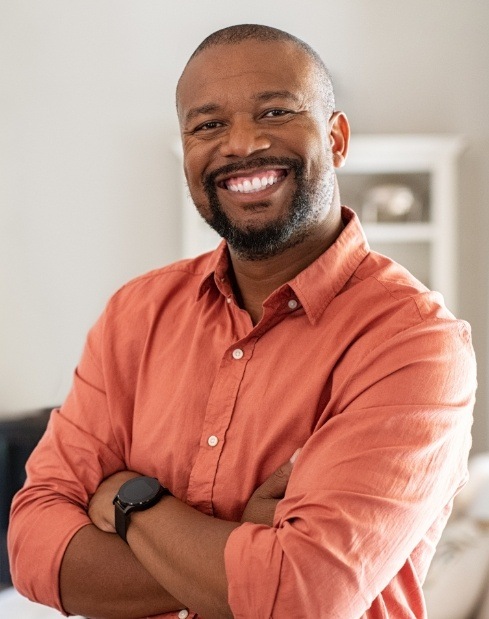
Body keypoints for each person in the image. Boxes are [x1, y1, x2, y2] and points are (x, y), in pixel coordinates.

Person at [8, 24, 476, 619]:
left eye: (275, 112)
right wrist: (246, 545)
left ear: (335, 139)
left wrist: (133, 502)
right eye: (208, 124)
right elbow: (32, 548)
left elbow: (306, 595)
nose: (241, 144)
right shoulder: (135, 315)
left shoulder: (415, 344)